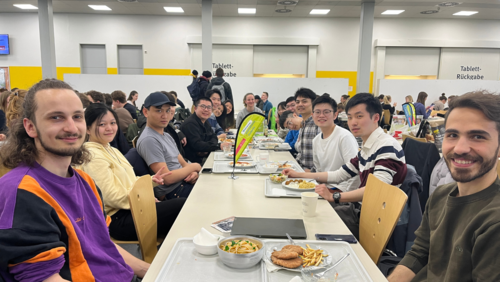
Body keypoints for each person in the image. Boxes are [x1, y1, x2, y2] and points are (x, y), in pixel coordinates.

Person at [0, 79, 149, 281]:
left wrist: (152, 271)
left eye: (77, 117)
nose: (72, 128)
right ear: (30, 127)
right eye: (56, 117)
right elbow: (45, 278)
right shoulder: (22, 192)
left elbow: (103, 244)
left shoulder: (85, 181)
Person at [388, 91, 500, 282]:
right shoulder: (441, 195)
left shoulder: (493, 221)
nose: (460, 148)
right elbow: (419, 253)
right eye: (453, 135)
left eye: (478, 137)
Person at [283, 93, 407, 238]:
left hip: (375, 222)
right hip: (363, 212)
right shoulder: (368, 147)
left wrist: (335, 196)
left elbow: (375, 190)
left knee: (308, 224)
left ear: (376, 118)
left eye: (359, 116)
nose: (353, 122)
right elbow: (339, 174)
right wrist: (298, 174)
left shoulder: (386, 145)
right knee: (302, 214)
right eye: (349, 117)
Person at [79, 103, 185, 241]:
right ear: (87, 129)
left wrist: (151, 181)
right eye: (102, 124)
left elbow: (128, 182)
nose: (109, 128)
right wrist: (143, 200)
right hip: (117, 219)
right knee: (181, 206)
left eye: (112, 123)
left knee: (180, 210)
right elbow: (111, 197)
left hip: (131, 210)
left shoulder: (110, 149)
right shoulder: (92, 156)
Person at [137, 92, 201, 200]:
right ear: (145, 112)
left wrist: (193, 173)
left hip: (183, 183)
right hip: (174, 192)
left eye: (167, 110)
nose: (164, 115)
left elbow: (183, 164)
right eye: (158, 110)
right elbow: (167, 178)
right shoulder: (149, 139)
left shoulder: (166, 135)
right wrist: (196, 167)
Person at [310, 94, 360, 192]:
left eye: (326, 112)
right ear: (312, 115)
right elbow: (319, 171)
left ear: (335, 115)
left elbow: (355, 174)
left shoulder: (344, 137)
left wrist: (338, 195)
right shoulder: (316, 140)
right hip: (324, 189)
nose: (321, 115)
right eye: (317, 112)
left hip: (342, 193)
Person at [181, 98, 224, 165]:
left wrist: (207, 148)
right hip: (192, 163)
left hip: (204, 158)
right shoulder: (190, 123)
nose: (206, 109)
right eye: (203, 106)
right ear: (195, 108)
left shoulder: (205, 121)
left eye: (209, 107)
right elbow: (198, 145)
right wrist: (216, 146)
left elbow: (213, 137)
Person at [294, 88, 320, 172]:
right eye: (297, 102)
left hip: (314, 175)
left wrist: (312, 172)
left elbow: (323, 155)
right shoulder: (303, 124)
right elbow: (301, 152)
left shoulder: (317, 124)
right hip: (301, 170)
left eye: (304, 101)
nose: (300, 104)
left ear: (313, 103)